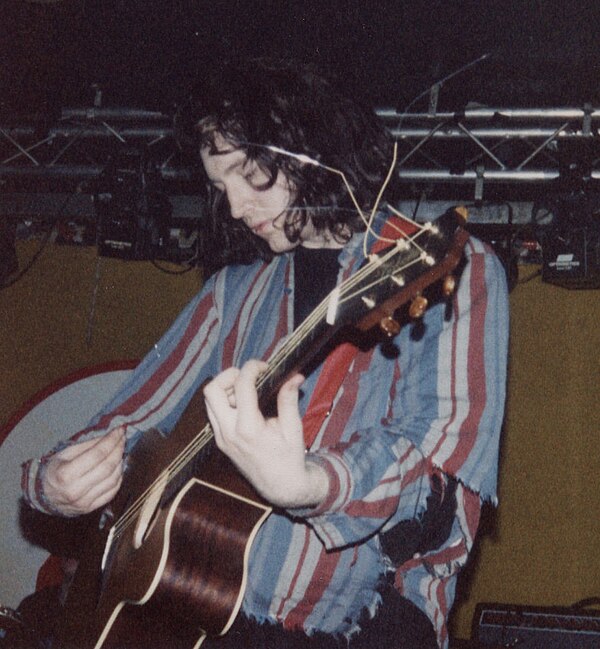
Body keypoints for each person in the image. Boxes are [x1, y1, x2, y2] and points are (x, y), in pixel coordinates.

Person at [20, 59, 509, 649]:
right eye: (219, 187)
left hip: (358, 621)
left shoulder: (453, 267)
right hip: (201, 612)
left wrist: (307, 485)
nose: (233, 209)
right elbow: (124, 422)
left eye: (246, 176)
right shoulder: (233, 293)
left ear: (308, 149)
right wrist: (52, 481)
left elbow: (437, 473)